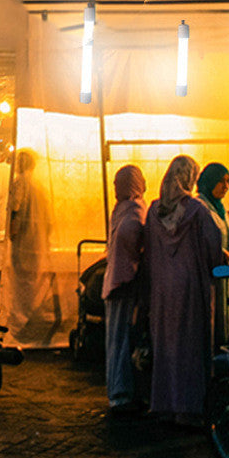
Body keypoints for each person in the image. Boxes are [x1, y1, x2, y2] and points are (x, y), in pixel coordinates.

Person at [144, 155, 225, 426]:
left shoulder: (153, 211)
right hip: (191, 285)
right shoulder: (197, 211)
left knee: (165, 344)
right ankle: (188, 408)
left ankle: (164, 403)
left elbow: (149, 251)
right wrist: (221, 267)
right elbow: (213, 248)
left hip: (161, 288)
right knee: (190, 345)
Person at [101, 165, 147, 414]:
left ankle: (117, 391)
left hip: (114, 282)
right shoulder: (136, 213)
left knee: (116, 340)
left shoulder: (120, 210)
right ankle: (122, 394)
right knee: (124, 340)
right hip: (126, 284)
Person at [7, 149, 53, 339]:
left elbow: (15, 208)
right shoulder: (39, 185)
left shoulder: (20, 182)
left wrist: (11, 232)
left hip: (24, 240)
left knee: (22, 281)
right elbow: (49, 217)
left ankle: (23, 322)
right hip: (38, 239)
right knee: (34, 280)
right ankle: (33, 317)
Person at [196, 162, 229, 259]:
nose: (226, 186)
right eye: (221, 181)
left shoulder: (220, 209)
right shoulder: (198, 207)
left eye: (228, 181)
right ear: (210, 181)